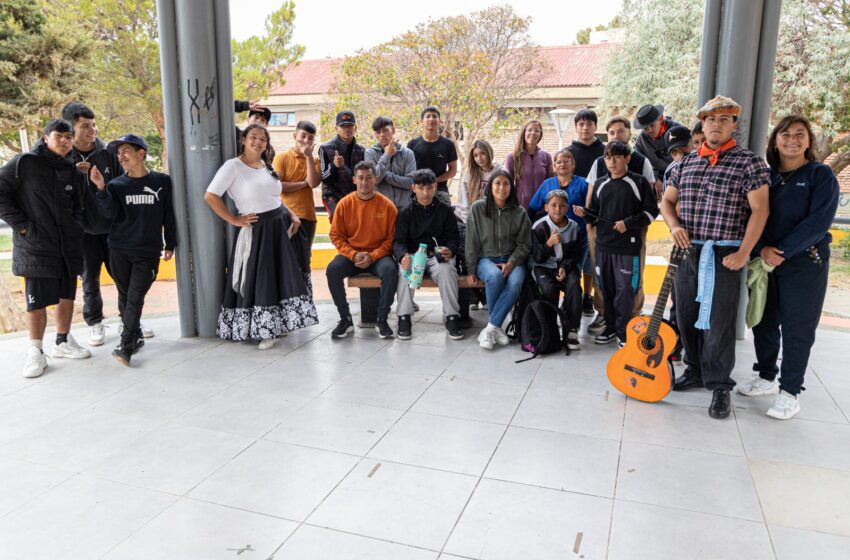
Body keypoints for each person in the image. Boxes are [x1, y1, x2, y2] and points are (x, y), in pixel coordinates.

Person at [660, 96, 770, 419]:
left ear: (735, 124)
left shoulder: (749, 163)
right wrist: (674, 225)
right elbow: (666, 203)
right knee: (685, 313)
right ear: (702, 124)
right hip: (687, 250)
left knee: (720, 321)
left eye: (724, 120)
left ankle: (720, 385)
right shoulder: (685, 163)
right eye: (710, 119)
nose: (716, 125)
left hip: (724, 252)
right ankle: (694, 369)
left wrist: (743, 252)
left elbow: (760, 210)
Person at [737, 115, 839, 420]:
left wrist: (779, 252)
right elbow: (751, 216)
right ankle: (766, 377)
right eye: (785, 134)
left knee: (798, 329)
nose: (792, 140)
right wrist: (761, 250)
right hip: (766, 263)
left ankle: (789, 392)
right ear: (775, 140)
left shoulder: (820, 175)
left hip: (805, 263)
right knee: (764, 321)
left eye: (799, 134)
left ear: (809, 141)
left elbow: (818, 223)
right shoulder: (765, 177)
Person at [205, 124, 319, 350]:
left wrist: (292, 213)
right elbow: (210, 196)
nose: (258, 142)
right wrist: (234, 220)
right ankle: (266, 330)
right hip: (260, 230)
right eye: (253, 138)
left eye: (263, 139)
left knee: (282, 276)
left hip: (282, 226)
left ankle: (279, 325)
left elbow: (273, 197)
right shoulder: (233, 166)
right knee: (264, 279)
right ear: (243, 140)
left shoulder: (265, 165)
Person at [0, 119, 91, 378]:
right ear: (46, 138)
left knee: (67, 295)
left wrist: (77, 226)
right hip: (36, 246)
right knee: (36, 302)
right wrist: (22, 226)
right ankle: (36, 351)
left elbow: (79, 207)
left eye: (68, 137)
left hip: (67, 246)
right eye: (59, 136)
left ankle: (62, 341)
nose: (64, 141)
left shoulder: (73, 171)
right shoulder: (24, 163)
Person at [89, 135, 177, 365]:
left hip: (147, 251)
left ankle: (125, 344)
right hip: (119, 248)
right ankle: (135, 337)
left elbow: (169, 214)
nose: (121, 156)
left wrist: (171, 242)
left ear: (141, 154)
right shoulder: (116, 185)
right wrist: (101, 188)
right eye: (119, 153)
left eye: (126, 151)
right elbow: (110, 215)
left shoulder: (162, 181)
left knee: (135, 297)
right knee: (126, 295)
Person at [61, 102, 134, 346]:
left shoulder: (108, 153)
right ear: (71, 129)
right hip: (82, 232)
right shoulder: (63, 158)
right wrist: (75, 175)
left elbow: (121, 187)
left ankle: (129, 320)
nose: (92, 130)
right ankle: (95, 323)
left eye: (93, 125)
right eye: (85, 126)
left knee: (123, 277)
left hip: (113, 229)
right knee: (89, 280)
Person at [576, 141, 658, 347]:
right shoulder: (601, 183)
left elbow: (651, 212)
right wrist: (584, 214)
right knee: (607, 289)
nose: (611, 162)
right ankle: (611, 328)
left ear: (627, 158)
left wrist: (628, 224)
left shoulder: (638, 183)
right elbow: (594, 215)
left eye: (616, 157)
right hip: (603, 247)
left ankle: (623, 333)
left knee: (625, 292)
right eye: (608, 157)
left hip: (628, 249)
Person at [326, 161, 398, 339]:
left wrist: (373, 256)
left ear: (375, 179)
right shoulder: (344, 204)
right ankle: (345, 318)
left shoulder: (388, 206)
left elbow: (392, 239)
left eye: (369, 178)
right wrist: (353, 254)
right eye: (361, 178)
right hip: (352, 254)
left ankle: (381, 319)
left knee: (390, 270)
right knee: (332, 270)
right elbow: (336, 236)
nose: (365, 182)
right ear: (354, 180)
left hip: (379, 256)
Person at [393, 169, 462, 340]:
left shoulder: (445, 211)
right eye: (421, 188)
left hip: (437, 257)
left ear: (435, 187)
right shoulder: (405, 213)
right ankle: (404, 316)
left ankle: (452, 316)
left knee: (447, 271)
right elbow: (398, 242)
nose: (426, 193)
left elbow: (454, 237)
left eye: (429, 188)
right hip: (413, 256)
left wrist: (450, 250)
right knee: (404, 272)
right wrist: (403, 257)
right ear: (413, 188)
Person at [466, 170, 532, 350]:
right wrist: (471, 270)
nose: (501, 187)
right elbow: (471, 240)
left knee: (516, 282)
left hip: (513, 259)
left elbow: (525, 244)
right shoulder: (478, 208)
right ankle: (496, 327)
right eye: (497, 183)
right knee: (494, 276)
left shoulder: (519, 212)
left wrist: (512, 262)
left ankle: (490, 328)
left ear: (511, 187)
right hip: (486, 258)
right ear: (490, 186)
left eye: (506, 184)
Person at [527, 150, 592, 318]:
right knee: (550, 280)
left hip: (576, 237)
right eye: (559, 161)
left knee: (573, 273)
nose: (562, 164)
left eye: (567, 160)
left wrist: (584, 212)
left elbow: (592, 210)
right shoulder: (547, 184)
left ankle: (574, 309)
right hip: (551, 238)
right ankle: (551, 316)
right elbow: (533, 208)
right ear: (554, 165)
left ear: (573, 164)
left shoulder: (583, 184)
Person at [530, 190, 583, 350]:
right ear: (546, 207)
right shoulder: (539, 226)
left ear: (567, 207)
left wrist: (564, 267)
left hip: (565, 266)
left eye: (562, 205)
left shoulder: (573, 227)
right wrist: (549, 243)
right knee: (548, 289)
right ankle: (550, 325)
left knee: (574, 286)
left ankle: (571, 327)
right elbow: (537, 257)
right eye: (553, 205)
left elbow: (576, 254)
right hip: (543, 266)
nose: (557, 209)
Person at [456, 139, 502, 323]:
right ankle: (474, 297)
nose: (479, 158)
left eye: (482, 153)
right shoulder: (469, 173)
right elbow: (464, 201)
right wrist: (470, 224)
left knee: (488, 258)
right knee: (469, 255)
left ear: (489, 152)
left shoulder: (499, 171)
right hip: (472, 221)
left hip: (493, 222)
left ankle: (487, 295)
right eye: (475, 155)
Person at [660, 124, 693, 362]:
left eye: (684, 148)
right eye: (675, 152)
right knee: (678, 297)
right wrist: (675, 226)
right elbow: (668, 205)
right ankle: (676, 344)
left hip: (708, 241)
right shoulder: (674, 170)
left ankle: (697, 353)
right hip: (681, 241)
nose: (680, 155)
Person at [272, 120, 321, 270]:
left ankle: (305, 293)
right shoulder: (281, 157)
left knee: (304, 259)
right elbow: (278, 186)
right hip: (285, 215)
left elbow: (313, 183)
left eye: (311, 138)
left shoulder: (315, 160)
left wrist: (308, 158)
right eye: (303, 136)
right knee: (284, 259)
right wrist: (302, 184)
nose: (306, 141)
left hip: (307, 217)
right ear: (295, 135)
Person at [407, 106, 458, 206]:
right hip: (418, 190)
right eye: (428, 116)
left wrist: (434, 181)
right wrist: (422, 185)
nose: (431, 119)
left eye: (434, 116)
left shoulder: (448, 144)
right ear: (421, 122)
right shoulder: (412, 144)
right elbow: (408, 170)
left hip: (440, 190)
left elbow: (453, 170)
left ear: (440, 121)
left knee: (444, 218)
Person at [319, 111, 365, 220]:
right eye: (343, 126)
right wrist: (334, 165)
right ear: (336, 128)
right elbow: (324, 178)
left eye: (350, 126)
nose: (347, 129)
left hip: (355, 195)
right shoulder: (325, 148)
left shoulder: (362, 150)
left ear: (355, 128)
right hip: (333, 195)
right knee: (339, 221)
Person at [364, 116, 416, 208]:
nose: (382, 135)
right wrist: (387, 155)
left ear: (393, 130)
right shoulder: (370, 153)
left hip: (404, 208)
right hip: (380, 207)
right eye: (378, 132)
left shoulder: (408, 153)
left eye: (385, 130)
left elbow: (410, 183)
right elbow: (374, 180)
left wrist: (385, 174)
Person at [504, 120, 554, 209]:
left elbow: (551, 183)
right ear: (524, 132)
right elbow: (507, 184)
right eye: (530, 130)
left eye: (537, 131)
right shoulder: (512, 157)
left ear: (540, 135)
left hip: (542, 208)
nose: (533, 133)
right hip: (520, 208)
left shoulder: (546, 156)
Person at [633, 104, 682, 185]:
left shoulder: (677, 129)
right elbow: (639, 161)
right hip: (658, 175)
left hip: (680, 172)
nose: (649, 130)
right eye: (645, 128)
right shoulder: (642, 139)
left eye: (652, 125)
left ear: (660, 119)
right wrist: (654, 179)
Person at [566, 109, 605, 178]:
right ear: (575, 127)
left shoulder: (606, 152)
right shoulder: (566, 153)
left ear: (596, 126)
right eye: (581, 124)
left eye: (589, 124)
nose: (585, 128)